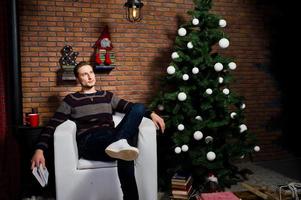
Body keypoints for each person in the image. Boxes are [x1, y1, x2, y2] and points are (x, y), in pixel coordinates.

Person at [31, 61, 165, 200]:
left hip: (111, 136)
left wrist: (152, 114)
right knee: (126, 147)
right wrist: (39, 150)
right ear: (78, 79)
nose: (89, 76)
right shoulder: (71, 100)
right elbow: (52, 125)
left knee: (139, 108)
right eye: (84, 74)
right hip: (90, 141)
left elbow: (131, 107)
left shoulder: (106, 96)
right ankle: (121, 145)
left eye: (91, 72)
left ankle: (120, 142)